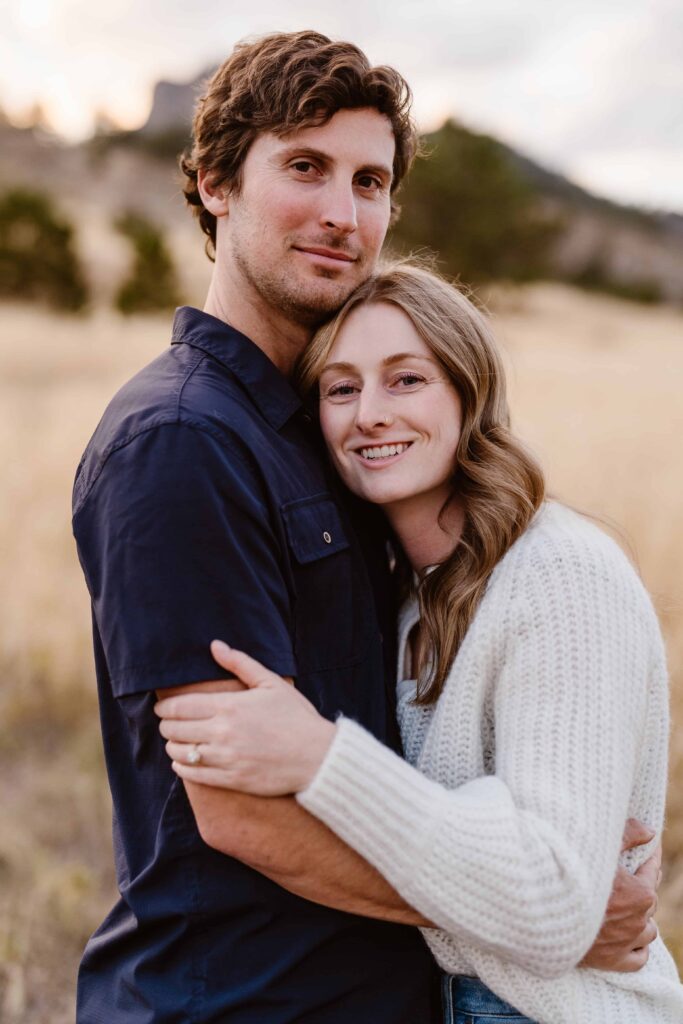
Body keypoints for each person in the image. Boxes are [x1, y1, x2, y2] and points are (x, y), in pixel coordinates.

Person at [73, 30, 659, 1024]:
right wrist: (534, 922)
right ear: (217, 182)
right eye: (304, 168)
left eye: (370, 181)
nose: (343, 213)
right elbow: (240, 806)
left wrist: (534, 912)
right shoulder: (182, 440)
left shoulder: (330, 438)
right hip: (245, 1002)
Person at [155, 263, 683, 1023]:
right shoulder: (410, 590)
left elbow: (558, 897)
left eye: (405, 380)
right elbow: (521, 886)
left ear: (468, 393)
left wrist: (318, 755)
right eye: (340, 389)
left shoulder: (558, 573)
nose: (369, 414)